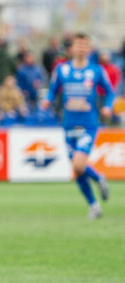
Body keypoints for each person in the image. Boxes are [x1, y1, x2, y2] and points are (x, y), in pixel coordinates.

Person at [41, 33, 115, 220]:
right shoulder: (62, 70)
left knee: (78, 164)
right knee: (77, 170)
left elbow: (110, 92)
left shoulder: (96, 70)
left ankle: (98, 179)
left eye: (85, 45)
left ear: (89, 49)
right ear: (72, 49)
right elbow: (52, 90)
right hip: (68, 125)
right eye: (78, 45)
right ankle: (94, 205)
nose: (81, 49)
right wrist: (47, 101)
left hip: (88, 125)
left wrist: (107, 106)